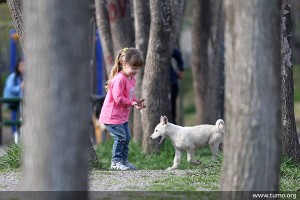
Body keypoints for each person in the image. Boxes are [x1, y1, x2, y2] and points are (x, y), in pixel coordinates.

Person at [99, 47, 145, 171]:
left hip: (121, 117)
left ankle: (124, 161)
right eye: (134, 68)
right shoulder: (119, 79)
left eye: (138, 69)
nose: (136, 71)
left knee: (127, 138)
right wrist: (131, 102)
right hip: (112, 116)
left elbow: (130, 94)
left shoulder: (131, 79)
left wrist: (136, 101)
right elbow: (118, 98)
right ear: (124, 64)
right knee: (121, 138)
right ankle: (115, 162)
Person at [170, 48, 184, 124]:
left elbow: (176, 53)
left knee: (172, 106)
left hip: (171, 81)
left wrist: (181, 69)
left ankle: (173, 123)